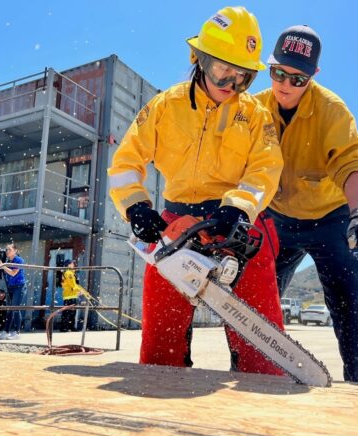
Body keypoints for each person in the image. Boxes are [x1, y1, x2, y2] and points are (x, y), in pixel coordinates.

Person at [108, 6, 284, 375]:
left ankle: (265, 394)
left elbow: (265, 168)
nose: (230, 83)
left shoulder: (255, 115)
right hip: (177, 224)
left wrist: (239, 206)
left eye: (243, 76)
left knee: (262, 347)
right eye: (223, 69)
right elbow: (125, 164)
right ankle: (160, 385)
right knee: (161, 339)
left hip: (239, 222)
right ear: (199, 58)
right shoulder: (165, 106)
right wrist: (137, 208)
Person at [255, 25, 358, 384]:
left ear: (314, 76)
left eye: (297, 79)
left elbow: (353, 164)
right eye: (278, 73)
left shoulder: (332, 111)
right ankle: (253, 374)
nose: (285, 84)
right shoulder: (252, 110)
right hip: (276, 217)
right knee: (254, 298)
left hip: (330, 219)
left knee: (351, 297)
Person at [0, 243, 26, 340]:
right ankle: (6, 331)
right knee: (9, 310)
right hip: (10, 287)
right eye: (6, 250)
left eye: (9, 250)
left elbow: (13, 273)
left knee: (15, 308)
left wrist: (2, 265)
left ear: (15, 251)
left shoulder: (19, 260)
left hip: (19, 286)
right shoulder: (6, 261)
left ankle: (17, 332)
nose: (7, 252)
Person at [60, 260, 82, 332]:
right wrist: (79, 290)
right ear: (68, 265)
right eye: (72, 263)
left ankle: (68, 327)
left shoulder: (68, 272)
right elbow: (72, 284)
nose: (73, 264)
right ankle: (66, 327)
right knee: (69, 312)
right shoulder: (69, 273)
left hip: (70, 294)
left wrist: (77, 290)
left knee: (70, 312)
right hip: (70, 295)